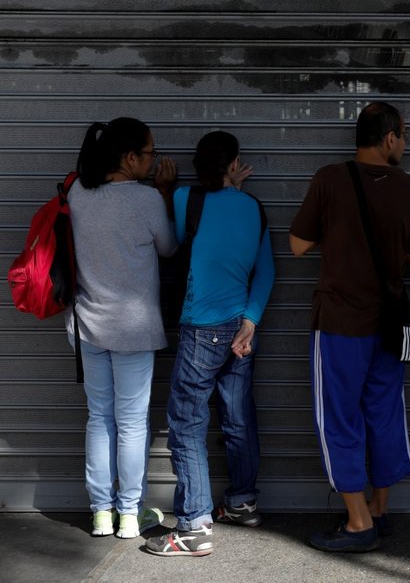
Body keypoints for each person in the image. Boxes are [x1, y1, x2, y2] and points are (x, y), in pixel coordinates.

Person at [289, 102, 410, 553]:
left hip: (341, 323)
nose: (404, 144)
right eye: (403, 136)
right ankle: (380, 509)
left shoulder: (330, 179)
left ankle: (357, 522)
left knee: (340, 419)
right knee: (384, 413)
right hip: (390, 324)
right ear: (389, 137)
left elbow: (297, 245)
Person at [145, 131, 274, 557]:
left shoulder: (186, 199)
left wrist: (165, 188)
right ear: (234, 164)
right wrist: (251, 322)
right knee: (237, 416)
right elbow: (266, 271)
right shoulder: (253, 207)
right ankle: (242, 502)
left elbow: (174, 243)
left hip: (203, 327)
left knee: (186, 423)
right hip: (240, 327)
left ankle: (194, 526)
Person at [68, 117, 177, 539]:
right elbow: (168, 248)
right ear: (130, 157)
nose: (153, 161)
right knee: (132, 423)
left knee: (99, 418)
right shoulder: (146, 199)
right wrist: (165, 194)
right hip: (133, 329)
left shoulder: (78, 191)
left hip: (88, 325)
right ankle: (129, 515)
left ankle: (100, 513)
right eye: (149, 153)